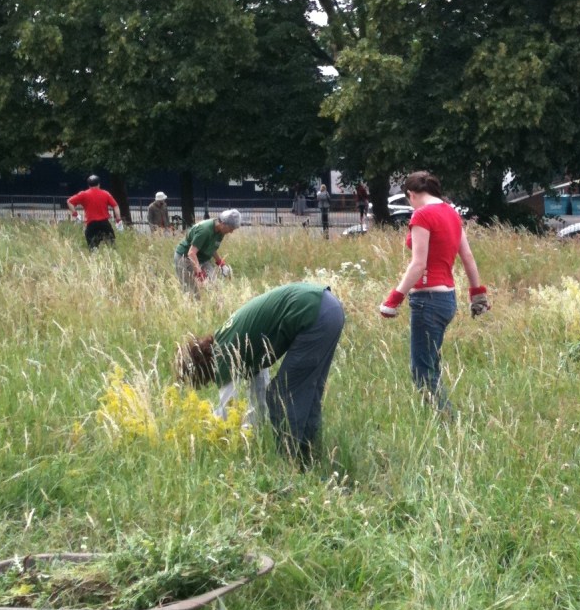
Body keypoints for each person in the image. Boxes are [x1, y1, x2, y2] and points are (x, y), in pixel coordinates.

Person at [176, 283, 345, 463]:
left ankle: (291, 464)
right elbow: (259, 397)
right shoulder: (229, 341)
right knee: (307, 394)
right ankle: (310, 456)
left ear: (198, 371)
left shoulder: (223, 359)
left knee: (284, 395)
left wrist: (203, 431)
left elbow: (228, 414)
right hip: (328, 307)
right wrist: (252, 430)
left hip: (314, 315)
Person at [379, 171, 489, 414]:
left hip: (427, 300)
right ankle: (440, 419)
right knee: (431, 366)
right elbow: (468, 257)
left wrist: (393, 300)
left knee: (422, 371)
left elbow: (418, 264)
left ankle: (447, 420)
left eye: (409, 199)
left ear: (412, 194)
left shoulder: (422, 215)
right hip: (447, 299)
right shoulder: (451, 212)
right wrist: (477, 294)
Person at [174, 209, 241, 295]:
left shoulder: (220, 231)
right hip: (185, 258)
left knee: (216, 286)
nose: (231, 232)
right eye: (231, 229)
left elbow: (212, 247)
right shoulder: (204, 230)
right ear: (223, 224)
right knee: (192, 291)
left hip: (201, 258)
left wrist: (221, 263)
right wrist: (199, 274)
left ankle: (218, 307)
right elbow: (191, 253)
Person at [67, 175, 121, 249]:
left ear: (88, 185)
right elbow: (115, 206)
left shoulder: (83, 194)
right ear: (99, 184)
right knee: (111, 245)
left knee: (93, 247)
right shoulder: (106, 193)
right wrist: (118, 220)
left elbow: (69, 202)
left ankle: (94, 258)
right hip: (104, 223)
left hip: (91, 224)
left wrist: (76, 215)